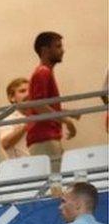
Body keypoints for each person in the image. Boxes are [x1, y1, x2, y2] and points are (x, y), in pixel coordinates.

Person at [26, 31, 76, 161]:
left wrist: (68, 112)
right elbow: (39, 105)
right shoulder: (43, 72)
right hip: (44, 137)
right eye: (58, 47)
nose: (62, 51)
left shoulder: (44, 72)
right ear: (45, 50)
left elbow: (43, 104)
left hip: (47, 137)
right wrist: (66, 121)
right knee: (54, 178)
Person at [0, 77, 31, 159]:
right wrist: (27, 124)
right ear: (12, 98)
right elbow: (5, 144)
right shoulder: (7, 119)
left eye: (30, 90)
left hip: (43, 164)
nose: (28, 94)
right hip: (19, 168)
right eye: (22, 91)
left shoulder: (41, 114)